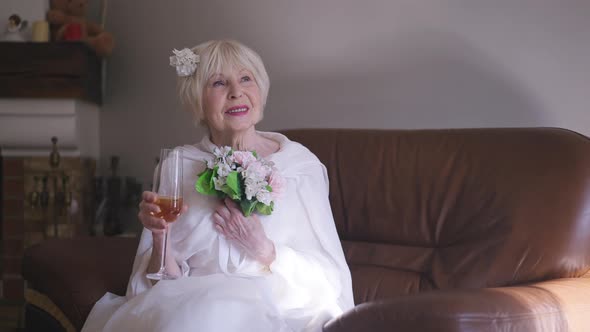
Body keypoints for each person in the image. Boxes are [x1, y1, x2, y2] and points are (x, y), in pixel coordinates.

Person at [82, 39, 354, 332]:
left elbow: (329, 280)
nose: (237, 92)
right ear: (197, 99)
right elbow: (159, 285)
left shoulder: (299, 166)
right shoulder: (178, 164)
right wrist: (161, 238)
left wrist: (265, 250)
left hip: (279, 309)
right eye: (219, 83)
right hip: (189, 307)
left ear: (260, 91)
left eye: (246, 79)